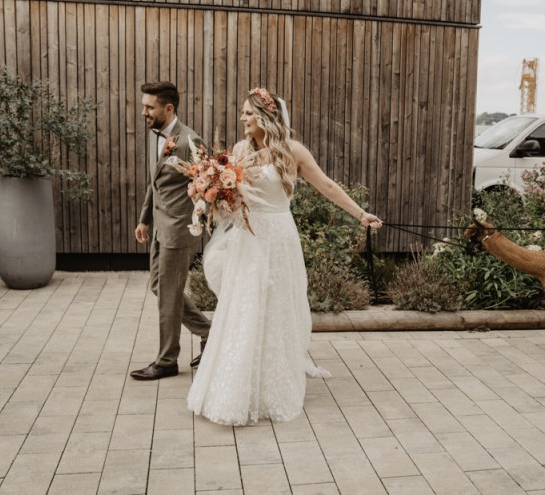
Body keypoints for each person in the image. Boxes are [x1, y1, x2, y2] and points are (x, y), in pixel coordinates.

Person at [187, 87, 382, 425]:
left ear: (266, 116)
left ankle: (271, 384)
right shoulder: (238, 150)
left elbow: (327, 185)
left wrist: (360, 213)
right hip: (247, 239)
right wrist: (210, 197)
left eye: (249, 113)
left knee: (275, 305)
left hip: (278, 238)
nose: (243, 118)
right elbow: (232, 200)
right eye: (243, 113)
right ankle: (234, 384)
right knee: (244, 306)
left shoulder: (292, 151)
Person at [130, 81, 212, 380]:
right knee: (159, 287)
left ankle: (166, 361)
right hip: (159, 227)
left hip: (179, 229)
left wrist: (197, 222)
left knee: (167, 293)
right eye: (143, 106)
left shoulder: (191, 141)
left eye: (149, 107)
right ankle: (210, 333)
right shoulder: (159, 136)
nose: (144, 112)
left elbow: (209, 186)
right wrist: (144, 219)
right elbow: (157, 183)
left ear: (169, 108)